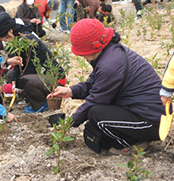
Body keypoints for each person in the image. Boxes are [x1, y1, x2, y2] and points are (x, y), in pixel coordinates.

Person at [47, 19, 165, 155]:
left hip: (151, 122)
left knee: (95, 113)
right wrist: (71, 91)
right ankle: (133, 138)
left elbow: (96, 100)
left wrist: (67, 124)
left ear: (89, 48)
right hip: (141, 113)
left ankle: (134, 144)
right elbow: (94, 84)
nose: (82, 56)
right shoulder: (108, 53)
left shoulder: (110, 65)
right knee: (93, 130)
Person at [0, 12, 66, 113]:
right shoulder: (17, 38)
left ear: (10, 30)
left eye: (4, 38)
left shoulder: (27, 40)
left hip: (55, 79)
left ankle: (42, 104)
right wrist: (13, 81)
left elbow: (31, 67)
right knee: (11, 74)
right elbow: (18, 63)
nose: (4, 41)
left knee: (26, 80)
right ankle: (31, 98)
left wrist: (10, 87)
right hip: (40, 75)